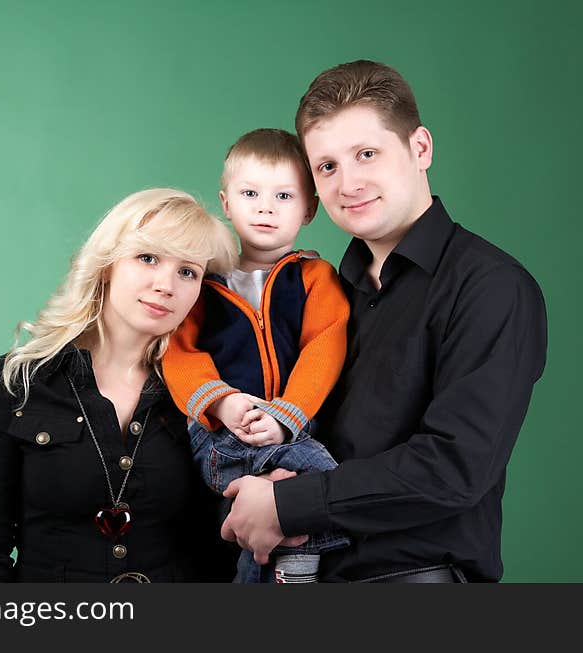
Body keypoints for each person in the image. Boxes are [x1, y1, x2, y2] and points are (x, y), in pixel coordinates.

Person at [220, 60, 548, 583]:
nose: (348, 183)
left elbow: (453, 467)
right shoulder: (324, 293)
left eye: (366, 154)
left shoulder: (490, 286)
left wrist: (289, 503)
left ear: (420, 149)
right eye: (326, 167)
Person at [0, 188, 239, 582]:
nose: (166, 284)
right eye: (148, 258)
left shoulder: (210, 396)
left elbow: (220, 549)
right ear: (107, 264)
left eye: (187, 271)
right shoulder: (16, 382)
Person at [162, 128, 351, 583]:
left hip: (287, 430)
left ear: (308, 209)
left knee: (267, 516)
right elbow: (179, 352)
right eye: (251, 193)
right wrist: (223, 404)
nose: (266, 207)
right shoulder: (205, 279)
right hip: (221, 434)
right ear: (226, 204)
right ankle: (303, 558)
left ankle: (279, 571)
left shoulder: (314, 277)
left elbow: (324, 348)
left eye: (284, 195)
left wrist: (286, 416)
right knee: (317, 482)